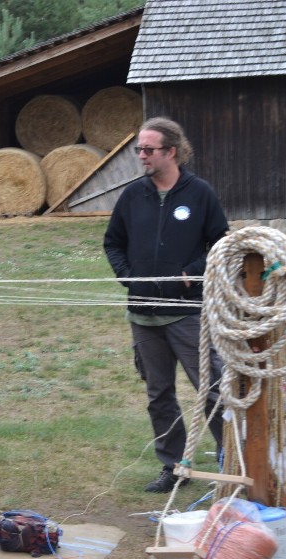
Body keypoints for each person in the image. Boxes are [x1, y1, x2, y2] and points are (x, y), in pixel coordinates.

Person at [103, 117, 228, 493]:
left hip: (188, 312)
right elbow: (113, 242)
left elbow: (222, 243)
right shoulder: (132, 195)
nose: (141, 155)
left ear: (171, 152)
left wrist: (193, 271)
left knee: (213, 388)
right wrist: (128, 276)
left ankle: (232, 457)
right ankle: (173, 466)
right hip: (144, 315)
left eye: (148, 149)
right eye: (139, 149)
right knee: (159, 395)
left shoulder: (199, 193)